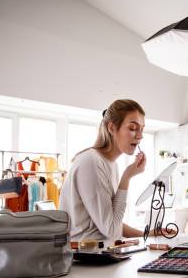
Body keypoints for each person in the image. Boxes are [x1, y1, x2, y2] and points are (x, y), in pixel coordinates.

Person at [59, 99, 159, 243]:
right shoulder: (91, 161)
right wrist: (127, 177)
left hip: (103, 254)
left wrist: (147, 233)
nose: (140, 136)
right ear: (111, 128)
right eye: (132, 128)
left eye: (141, 129)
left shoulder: (111, 165)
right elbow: (111, 230)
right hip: (87, 259)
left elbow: (111, 222)